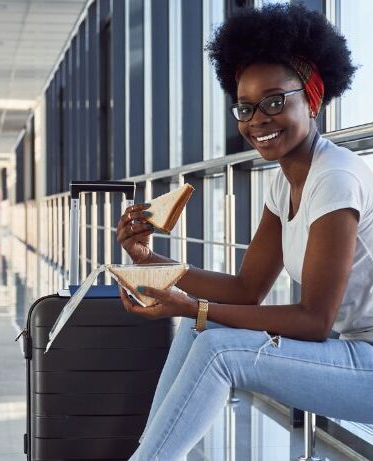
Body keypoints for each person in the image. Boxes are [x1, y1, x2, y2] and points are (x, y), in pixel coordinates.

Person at [116, 4, 373, 460]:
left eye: (275, 101)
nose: (258, 120)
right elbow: (247, 288)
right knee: (203, 330)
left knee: (216, 346)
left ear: (311, 99)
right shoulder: (286, 179)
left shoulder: (335, 178)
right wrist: (150, 264)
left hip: (365, 365)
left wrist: (191, 306)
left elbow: (313, 321)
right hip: (349, 354)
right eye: (246, 107)